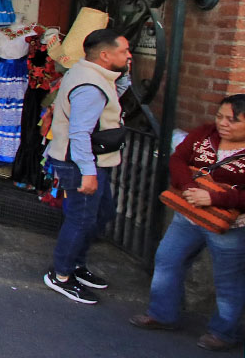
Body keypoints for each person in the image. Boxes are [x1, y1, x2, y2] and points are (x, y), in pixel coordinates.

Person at [130, 95, 245, 352]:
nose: (223, 123)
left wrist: (214, 197)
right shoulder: (205, 133)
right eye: (220, 116)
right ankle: (162, 314)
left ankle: (224, 332)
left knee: (228, 280)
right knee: (167, 260)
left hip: (230, 226)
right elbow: (178, 159)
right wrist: (190, 186)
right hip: (188, 213)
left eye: (232, 120)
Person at [42, 28, 131, 304]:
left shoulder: (94, 75)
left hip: (88, 161)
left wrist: (125, 74)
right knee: (82, 218)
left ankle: (76, 264)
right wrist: (88, 172)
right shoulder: (90, 85)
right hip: (80, 162)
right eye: (123, 52)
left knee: (100, 213)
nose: (129, 55)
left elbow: (113, 96)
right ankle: (61, 275)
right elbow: (80, 132)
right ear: (105, 55)